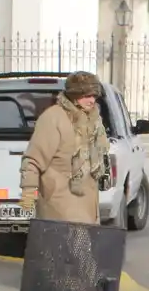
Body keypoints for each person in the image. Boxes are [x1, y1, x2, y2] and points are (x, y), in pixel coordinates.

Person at [19, 71, 111, 224]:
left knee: (82, 246)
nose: (92, 100)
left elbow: (100, 153)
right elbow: (33, 159)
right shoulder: (54, 118)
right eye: (86, 95)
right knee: (64, 247)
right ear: (74, 95)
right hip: (59, 205)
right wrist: (28, 192)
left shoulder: (94, 120)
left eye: (94, 96)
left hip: (87, 205)